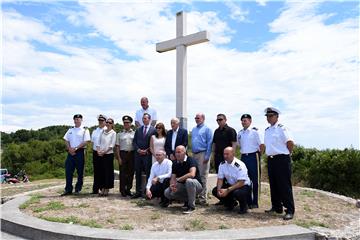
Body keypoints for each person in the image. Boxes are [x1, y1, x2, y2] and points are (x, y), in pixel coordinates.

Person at [263, 107, 295, 220]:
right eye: (267, 116)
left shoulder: (282, 128)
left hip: (282, 159)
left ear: (277, 116)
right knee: (274, 184)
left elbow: (290, 143)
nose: (268, 118)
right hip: (271, 160)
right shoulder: (267, 130)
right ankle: (277, 207)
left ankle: (290, 210)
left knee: (284, 185)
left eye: (271, 116)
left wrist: (287, 154)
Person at [164, 145, 203, 214]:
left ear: (184, 152)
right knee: (167, 192)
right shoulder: (175, 163)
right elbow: (173, 177)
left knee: (189, 181)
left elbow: (192, 174)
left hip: (196, 186)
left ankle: (191, 207)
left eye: (179, 152)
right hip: (183, 186)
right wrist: (172, 185)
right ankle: (187, 200)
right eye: (176, 152)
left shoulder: (191, 160)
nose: (177, 154)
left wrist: (179, 179)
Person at [212, 147, 251, 214]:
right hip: (231, 185)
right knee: (215, 191)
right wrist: (219, 190)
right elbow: (220, 179)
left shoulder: (240, 165)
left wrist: (227, 190)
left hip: (243, 186)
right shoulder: (222, 164)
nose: (225, 156)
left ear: (233, 154)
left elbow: (241, 182)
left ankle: (244, 206)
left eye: (227, 154)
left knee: (238, 193)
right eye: (224, 154)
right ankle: (230, 203)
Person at [237, 114, 265, 209]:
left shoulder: (255, 132)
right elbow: (239, 144)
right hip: (244, 157)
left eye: (245, 120)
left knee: (255, 180)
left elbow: (262, 145)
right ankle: (248, 200)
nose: (243, 122)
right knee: (245, 179)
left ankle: (255, 201)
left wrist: (259, 155)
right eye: (242, 120)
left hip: (253, 156)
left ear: (250, 121)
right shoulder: (240, 133)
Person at [62, 114, 90, 196]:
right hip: (70, 152)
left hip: (80, 152)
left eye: (78, 119)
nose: (76, 121)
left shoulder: (85, 130)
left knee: (80, 172)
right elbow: (65, 139)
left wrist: (76, 148)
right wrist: (69, 148)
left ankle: (78, 189)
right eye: (75, 119)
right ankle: (68, 189)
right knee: (68, 171)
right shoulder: (70, 130)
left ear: (81, 120)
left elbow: (86, 141)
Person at [132, 113, 156, 198]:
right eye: (143, 118)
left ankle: (148, 192)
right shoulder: (138, 130)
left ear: (149, 119)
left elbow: (154, 143)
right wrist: (138, 150)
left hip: (147, 155)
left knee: (148, 174)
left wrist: (147, 150)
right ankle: (138, 192)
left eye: (145, 118)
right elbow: (134, 142)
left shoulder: (154, 130)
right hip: (138, 155)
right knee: (138, 173)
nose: (144, 120)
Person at [191, 113, 213, 205]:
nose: (196, 119)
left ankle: (203, 198)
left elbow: (209, 143)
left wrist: (207, 156)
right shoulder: (194, 129)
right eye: (195, 118)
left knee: (203, 176)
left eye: (198, 118)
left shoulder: (207, 129)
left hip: (203, 154)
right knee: (195, 175)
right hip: (194, 154)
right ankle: (196, 196)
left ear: (203, 118)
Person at [115, 115, 135, 197]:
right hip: (122, 154)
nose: (126, 124)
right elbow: (117, 147)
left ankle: (128, 189)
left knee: (130, 173)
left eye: (128, 123)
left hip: (132, 154)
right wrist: (118, 157)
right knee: (122, 173)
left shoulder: (134, 133)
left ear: (131, 124)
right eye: (124, 123)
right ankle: (122, 190)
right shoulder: (119, 134)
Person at [96, 117, 116, 196]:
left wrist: (104, 152)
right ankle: (102, 188)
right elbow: (98, 143)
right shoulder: (102, 132)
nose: (108, 124)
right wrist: (98, 151)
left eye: (110, 122)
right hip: (101, 155)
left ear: (112, 124)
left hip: (108, 155)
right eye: (107, 122)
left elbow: (112, 145)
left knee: (108, 172)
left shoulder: (113, 133)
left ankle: (107, 189)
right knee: (102, 172)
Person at [90, 114, 107, 194]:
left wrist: (101, 151)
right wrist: (96, 150)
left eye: (102, 121)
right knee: (96, 171)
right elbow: (92, 142)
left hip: (104, 153)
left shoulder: (107, 130)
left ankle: (102, 187)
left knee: (103, 171)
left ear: (105, 121)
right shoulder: (94, 131)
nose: (100, 122)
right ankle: (95, 188)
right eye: (99, 121)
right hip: (95, 153)